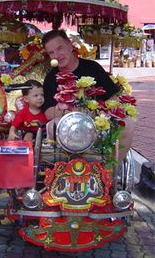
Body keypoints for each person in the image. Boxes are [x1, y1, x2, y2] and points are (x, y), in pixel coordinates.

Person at [42, 29, 135, 161]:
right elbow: (48, 112)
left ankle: (112, 169)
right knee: (52, 126)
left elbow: (113, 96)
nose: (57, 55)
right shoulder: (51, 78)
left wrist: (97, 111)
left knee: (128, 124)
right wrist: (73, 111)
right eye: (51, 52)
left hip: (98, 120)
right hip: (68, 124)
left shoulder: (93, 67)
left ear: (69, 45)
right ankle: (65, 170)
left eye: (60, 48)